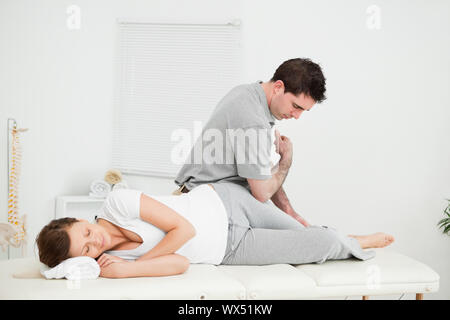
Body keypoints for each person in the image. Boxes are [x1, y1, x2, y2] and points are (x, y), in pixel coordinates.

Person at [36, 184, 394, 279]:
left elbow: (184, 228)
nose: (92, 242)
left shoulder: (117, 203)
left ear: (79, 221)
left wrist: (142, 259)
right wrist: (130, 269)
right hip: (232, 248)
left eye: (84, 233)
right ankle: (354, 241)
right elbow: (179, 264)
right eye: (83, 251)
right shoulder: (114, 264)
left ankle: (348, 240)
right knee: (319, 243)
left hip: (226, 202)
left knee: (304, 229)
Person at [174, 58, 327, 228]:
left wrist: (289, 212)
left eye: (303, 111)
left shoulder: (248, 94)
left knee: (300, 231)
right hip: (202, 205)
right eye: (296, 106)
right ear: (278, 87)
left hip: (220, 196)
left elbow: (261, 173)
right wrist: (285, 162)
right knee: (304, 238)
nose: (297, 116)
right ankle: (352, 243)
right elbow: (261, 193)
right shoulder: (252, 119)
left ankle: (349, 242)